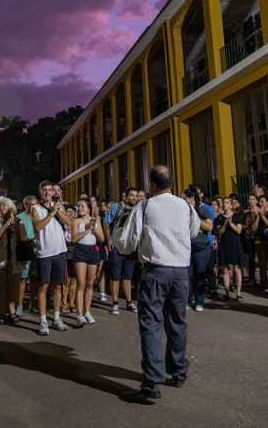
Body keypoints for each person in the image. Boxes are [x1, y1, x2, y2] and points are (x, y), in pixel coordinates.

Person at [117, 165, 199, 403]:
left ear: (151, 185)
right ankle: (178, 371)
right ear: (170, 184)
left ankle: (152, 382)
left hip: (155, 269)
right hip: (181, 270)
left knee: (152, 324)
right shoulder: (185, 205)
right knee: (178, 322)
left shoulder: (145, 205)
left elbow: (128, 241)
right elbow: (193, 232)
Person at [32, 181, 73, 335]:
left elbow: (69, 222)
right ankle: (43, 320)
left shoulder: (58, 206)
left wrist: (57, 211)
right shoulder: (35, 208)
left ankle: (56, 318)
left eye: (50, 190)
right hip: (45, 252)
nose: (48, 192)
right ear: (40, 192)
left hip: (60, 251)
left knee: (58, 286)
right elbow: (38, 226)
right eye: (45, 190)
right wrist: (50, 214)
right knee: (43, 287)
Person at [71, 198, 104, 326]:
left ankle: (87, 311)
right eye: (78, 206)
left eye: (83, 206)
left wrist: (94, 228)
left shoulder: (96, 220)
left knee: (90, 283)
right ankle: (79, 314)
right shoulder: (76, 221)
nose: (80, 208)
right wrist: (86, 229)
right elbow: (74, 239)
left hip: (93, 251)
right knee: (81, 283)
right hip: (80, 250)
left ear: (89, 208)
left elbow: (101, 239)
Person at [108, 187, 140, 315]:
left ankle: (129, 302)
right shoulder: (116, 207)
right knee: (115, 276)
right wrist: (109, 239)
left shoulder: (137, 210)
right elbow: (106, 222)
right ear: (125, 196)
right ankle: (115, 303)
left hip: (130, 247)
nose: (134, 198)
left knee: (128, 276)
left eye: (136, 195)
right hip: (116, 245)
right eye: (131, 195)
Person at [0, 197, 21, 324]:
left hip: (14, 256)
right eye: (1, 206)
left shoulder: (17, 220)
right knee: (1, 287)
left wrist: (15, 225)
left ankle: (11, 310)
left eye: (5, 206)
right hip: (0, 256)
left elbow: (21, 237)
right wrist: (6, 224)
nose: (2, 208)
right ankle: (1, 312)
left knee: (13, 286)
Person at [183, 188, 214, 311]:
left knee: (200, 274)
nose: (182, 200)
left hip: (201, 247)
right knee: (188, 275)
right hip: (187, 247)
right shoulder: (182, 211)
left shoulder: (203, 209)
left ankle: (199, 301)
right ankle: (188, 299)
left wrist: (195, 218)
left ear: (191, 199)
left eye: (184, 198)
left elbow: (209, 226)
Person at [215, 197, 244, 301]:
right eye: (224, 203)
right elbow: (219, 233)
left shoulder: (237, 216)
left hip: (235, 245)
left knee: (237, 268)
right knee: (225, 269)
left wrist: (231, 224)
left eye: (227, 203)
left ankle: (238, 293)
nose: (224, 204)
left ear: (231, 205)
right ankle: (227, 292)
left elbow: (239, 231)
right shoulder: (219, 218)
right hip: (224, 245)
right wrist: (225, 224)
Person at [15, 196, 38, 318]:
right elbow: (21, 237)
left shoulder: (39, 216)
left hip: (38, 251)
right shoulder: (20, 217)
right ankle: (19, 305)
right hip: (25, 250)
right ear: (26, 205)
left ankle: (32, 303)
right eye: (32, 205)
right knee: (23, 279)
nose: (34, 207)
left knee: (34, 278)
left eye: (35, 204)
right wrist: (32, 238)